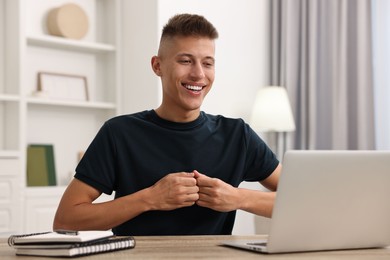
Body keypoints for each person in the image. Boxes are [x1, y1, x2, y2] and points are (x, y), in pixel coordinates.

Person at [53, 13, 281, 236]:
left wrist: (239, 198)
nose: (198, 74)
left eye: (207, 63)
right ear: (157, 66)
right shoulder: (119, 133)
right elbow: (66, 219)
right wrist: (150, 198)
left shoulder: (237, 135)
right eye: (185, 61)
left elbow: (302, 199)